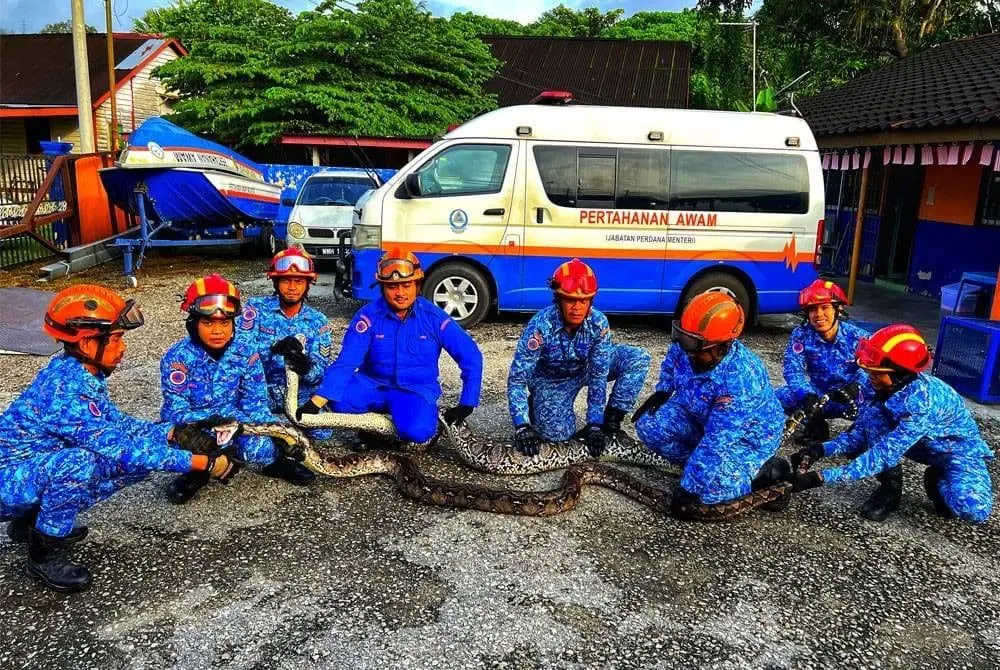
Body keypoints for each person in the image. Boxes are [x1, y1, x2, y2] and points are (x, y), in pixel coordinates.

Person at [0, 285, 235, 592]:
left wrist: (172, 432)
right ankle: (46, 553)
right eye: (115, 339)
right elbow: (124, 448)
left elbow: (116, 423)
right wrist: (203, 463)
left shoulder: (78, 371)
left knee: (128, 456)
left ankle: (30, 523)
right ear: (86, 342)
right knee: (80, 463)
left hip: (19, 474)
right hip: (6, 485)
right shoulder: (67, 390)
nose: (122, 347)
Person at [789, 324, 994, 523]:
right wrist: (819, 450)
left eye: (878, 372)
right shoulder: (882, 389)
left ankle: (939, 478)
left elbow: (883, 455)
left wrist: (821, 477)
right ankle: (890, 490)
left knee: (973, 510)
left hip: (955, 453)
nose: (871, 378)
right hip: (917, 444)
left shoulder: (923, 402)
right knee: (874, 423)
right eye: (871, 371)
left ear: (899, 372)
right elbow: (858, 434)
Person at [297, 248, 482, 444]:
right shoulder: (367, 316)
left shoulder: (434, 318)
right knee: (335, 399)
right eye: (392, 287)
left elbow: (471, 356)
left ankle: (392, 425)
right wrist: (315, 403)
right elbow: (347, 361)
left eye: (406, 285)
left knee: (418, 432)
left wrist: (467, 402)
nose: (400, 293)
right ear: (382, 287)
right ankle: (375, 426)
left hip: (414, 389)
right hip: (372, 384)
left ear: (417, 285)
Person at [633, 291, 787, 517]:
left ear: (721, 346)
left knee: (711, 493)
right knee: (648, 424)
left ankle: (762, 473)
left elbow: (718, 440)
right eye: (685, 341)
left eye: (697, 349)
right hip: (701, 418)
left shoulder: (742, 380)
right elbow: (672, 360)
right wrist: (664, 390)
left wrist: (690, 489)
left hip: (746, 438)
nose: (689, 353)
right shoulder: (691, 341)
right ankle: (701, 468)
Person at [160, 274, 311, 504]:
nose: (217, 331)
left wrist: (277, 434)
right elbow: (176, 409)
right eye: (208, 323)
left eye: (225, 323)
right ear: (193, 324)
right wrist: (209, 425)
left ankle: (274, 463)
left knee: (260, 450)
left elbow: (255, 403)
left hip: (234, 417)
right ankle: (197, 472)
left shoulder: (246, 352)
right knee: (179, 443)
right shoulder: (176, 358)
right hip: (195, 423)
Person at [507, 258, 651, 458]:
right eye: (570, 300)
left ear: (591, 301)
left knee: (638, 358)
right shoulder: (540, 325)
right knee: (557, 435)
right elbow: (518, 378)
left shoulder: (598, 322)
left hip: (585, 368)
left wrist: (594, 423)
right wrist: (521, 425)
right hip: (553, 378)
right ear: (558, 299)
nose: (577, 307)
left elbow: (598, 375)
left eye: (583, 301)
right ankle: (537, 404)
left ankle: (611, 424)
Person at [240, 247, 332, 440]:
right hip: (260, 388)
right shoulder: (255, 309)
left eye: (299, 281)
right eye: (285, 280)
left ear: (308, 284)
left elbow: (320, 372)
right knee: (247, 431)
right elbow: (239, 354)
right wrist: (273, 349)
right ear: (275, 281)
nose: (292, 287)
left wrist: (306, 367)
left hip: (299, 392)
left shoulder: (319, 322)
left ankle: (283, 432)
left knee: (322, 432)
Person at [776, 279, 869, 442]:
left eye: (825, 307)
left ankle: (860, 435)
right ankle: (814, 424)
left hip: (850, 398)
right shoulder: (801, 335)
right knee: (774, 398)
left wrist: (858, 386)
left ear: (838, 310)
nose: (818, 314)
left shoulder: (859, 338)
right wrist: (805, 395)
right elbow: (793, 370)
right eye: (812, 309)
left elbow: (878, 370)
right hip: (818, 396)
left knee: (882, 407)